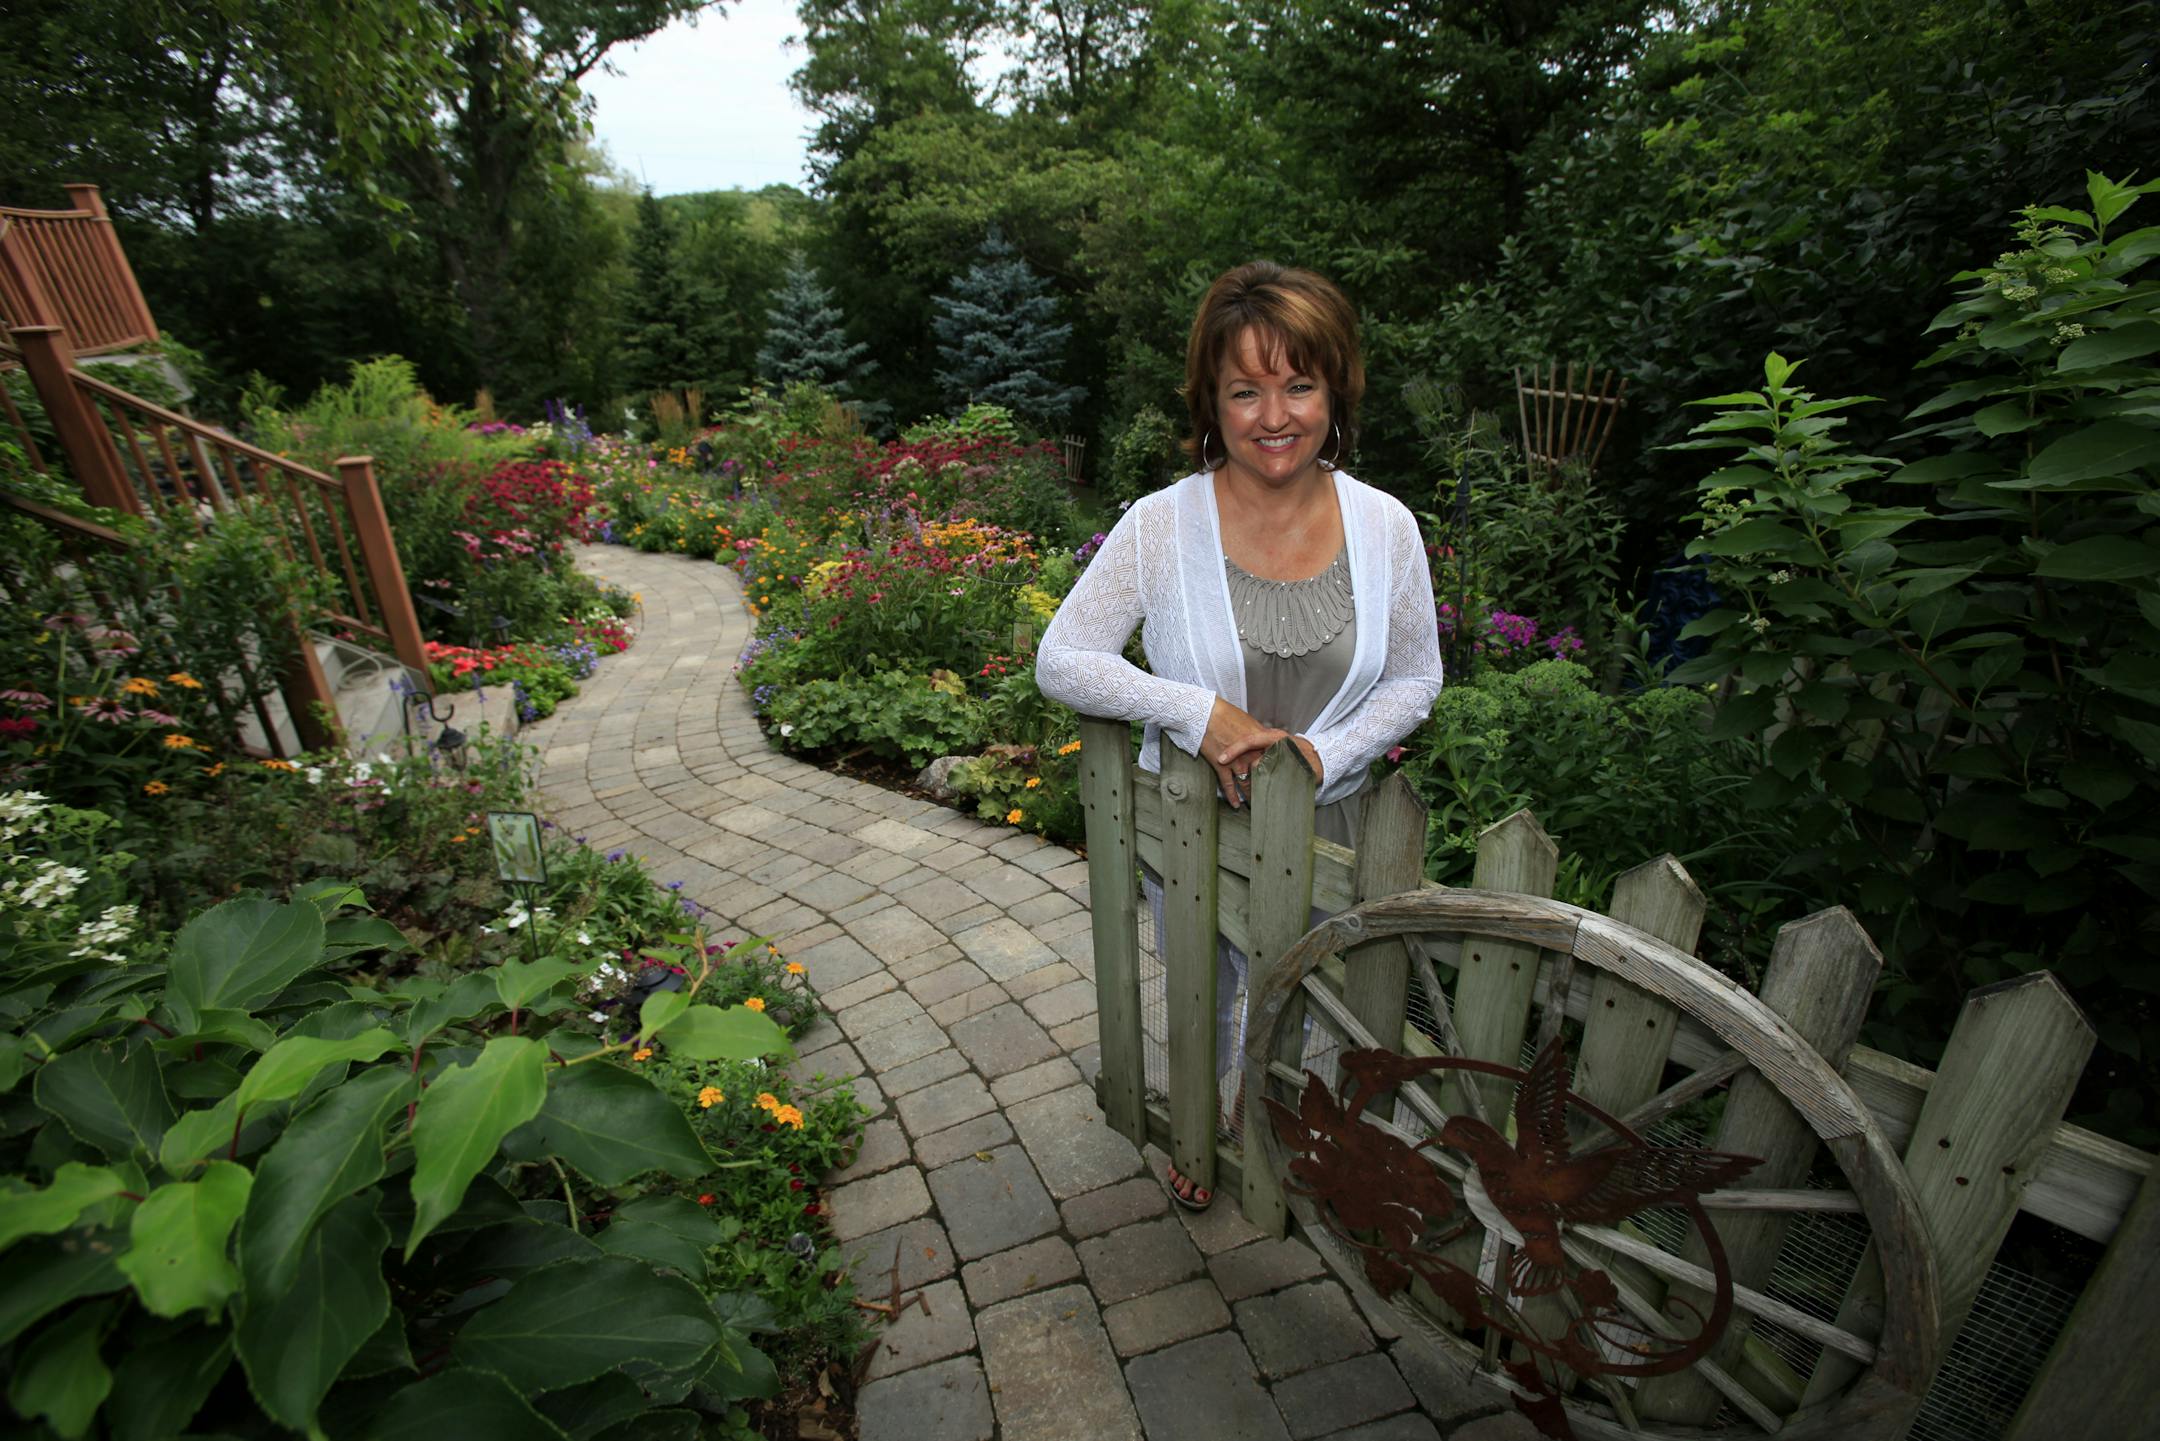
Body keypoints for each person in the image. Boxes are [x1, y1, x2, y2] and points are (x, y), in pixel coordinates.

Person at [1035, 260, 1443, 1209]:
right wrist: (1197, 712)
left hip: (1332, 825)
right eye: (1245, 390)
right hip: (1198, 827)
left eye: (1299, 384)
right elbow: (1062, 657)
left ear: (1335, 391)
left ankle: (1290, 1122)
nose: (1274, 416)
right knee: (1206, 984)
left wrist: (1323, 756)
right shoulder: (1159, 527)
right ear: (1210, 402)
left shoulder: (1386, 527)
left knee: (1316, 993)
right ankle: (1201, 1118)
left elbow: (1418, 675)